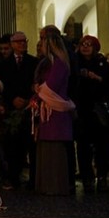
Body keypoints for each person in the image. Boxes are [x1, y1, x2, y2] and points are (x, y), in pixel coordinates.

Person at [0, 31, 38, 190]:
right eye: (18, 41)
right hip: (11, 109)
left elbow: (36, 84)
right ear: (12, 44)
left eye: (24, 41)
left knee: (30, 144)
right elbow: (0, 86)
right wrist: (11, 99)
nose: (22, 44)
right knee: (12, 145)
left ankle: (33, 179)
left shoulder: (33, 62)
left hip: (29, 107)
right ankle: (13, 177)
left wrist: (27, 99)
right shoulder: (3, 64)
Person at [32, 26, 76, 196]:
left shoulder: (59, 64)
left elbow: (50, 88)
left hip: (55, 113)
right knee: (48, 148)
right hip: (49, 113)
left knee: (55, 151)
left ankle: (54, 186)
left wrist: (38, 90)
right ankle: (47, 185)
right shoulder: (53, 63)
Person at [74, 34, 109, 193]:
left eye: (89, 44)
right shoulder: (75, 63)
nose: (85, 47)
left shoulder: (102, 63)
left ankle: (102, 176)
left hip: (98, 111)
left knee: (102, 145)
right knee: (83, 146)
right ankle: (87, 177)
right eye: (83, 44)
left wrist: (97, 78)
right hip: (82, 110)